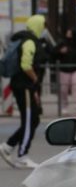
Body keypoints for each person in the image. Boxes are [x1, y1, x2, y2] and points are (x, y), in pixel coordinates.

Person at [0, 15, 47, 169]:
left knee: (34, 120)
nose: (44, 28)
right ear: (38, 26)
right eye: (43, 25)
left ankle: (8, 146)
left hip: (25, 87)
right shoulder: (29, 42)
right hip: (24, 86)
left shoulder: (27, 40)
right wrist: (34, 79)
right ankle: (22, 155)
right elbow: (26, 65)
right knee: (29, 121)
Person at [52, 27, 76, 114]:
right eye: (67, 33)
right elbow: (53, 54)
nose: (68, 35)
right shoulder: (62, 43)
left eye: (70, 33)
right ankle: (64, 106)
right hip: (64, 70)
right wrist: (60, 52)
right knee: (63, 89)